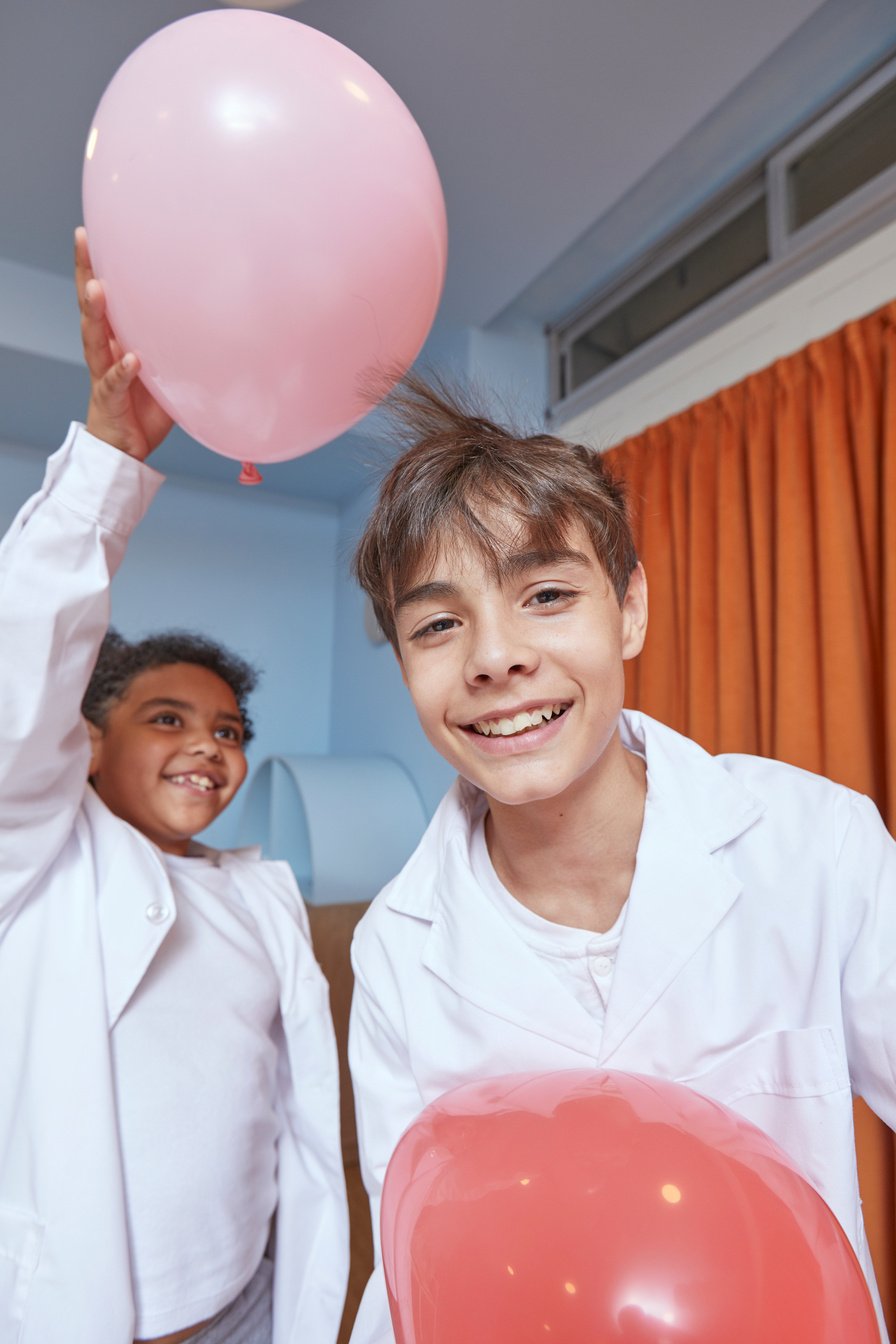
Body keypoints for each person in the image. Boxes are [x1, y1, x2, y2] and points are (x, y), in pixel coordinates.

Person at [346, 374, 896, 1343]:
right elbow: (414, 1255)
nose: (494, 657)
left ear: (629, 609)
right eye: (436, 624)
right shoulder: (395, 945)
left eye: (545, 595)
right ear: (401, 663)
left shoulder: (815, 845)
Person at [0, 229, 349, 1344]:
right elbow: (22, 678)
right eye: (167, 717)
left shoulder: (261, 896)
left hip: (247, 1302)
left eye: (231, 730)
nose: (210, 746)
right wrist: (108, 461)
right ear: (85, 743)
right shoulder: (43, 865)